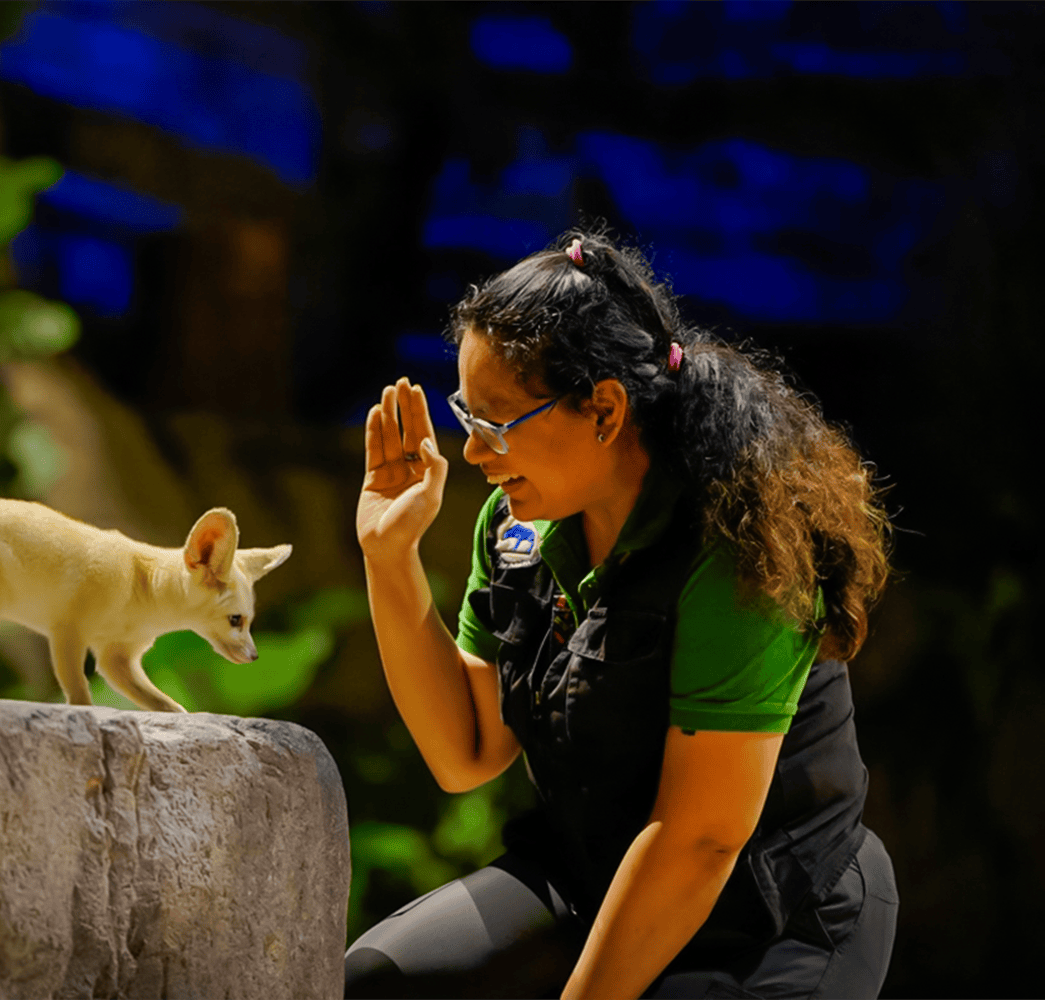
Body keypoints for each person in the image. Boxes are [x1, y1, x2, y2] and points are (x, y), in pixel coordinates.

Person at [348, 230, 899, 999]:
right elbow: (465, 751)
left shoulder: (737, 551)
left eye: (496, 425)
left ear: (604, 409)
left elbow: (701, 840)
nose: (471, 453)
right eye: (468, 417)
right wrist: (388, 557)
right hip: (588, 877)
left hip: (772, 918)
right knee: (374, 981)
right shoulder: (517, 528)